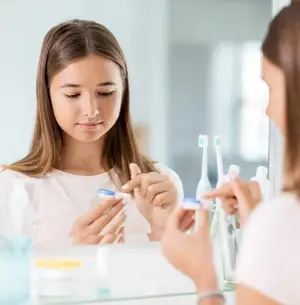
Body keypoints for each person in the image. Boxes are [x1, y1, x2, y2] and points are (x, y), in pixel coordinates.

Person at [0, 19, 194, 248]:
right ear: (47, 94)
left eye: (105, 92)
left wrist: (163, 230)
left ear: (123, 91)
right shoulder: (12, 187)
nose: (91, 110)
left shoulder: (160, 185)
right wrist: (69, 253)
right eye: (73, 95)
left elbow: (179, 281)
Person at [162, 3, 300, 305]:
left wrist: (205, 279)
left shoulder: (283, 221)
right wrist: (259, 227)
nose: (267, 109)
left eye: (272, 89)